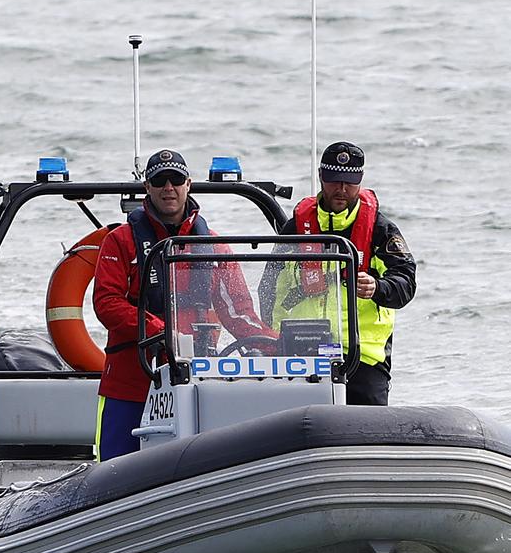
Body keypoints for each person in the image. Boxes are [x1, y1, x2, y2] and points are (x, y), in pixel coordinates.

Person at [93, 148, 275, 461]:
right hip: (132, 381)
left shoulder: (213, 246)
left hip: (196, 380)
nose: (168, 188)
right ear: (146, 188)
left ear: (188, 184)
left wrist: (277, 345)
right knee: (112, 467)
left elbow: (239, 313)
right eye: (159, 181)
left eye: (175, 180)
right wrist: (161, 332)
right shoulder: (120, 241)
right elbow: (106, 302)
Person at [260, 141, 416, 405]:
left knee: (368, 431)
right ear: (321, 177)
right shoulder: (296, 228)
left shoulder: (381, 230)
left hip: (362, 357)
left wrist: (378, 288)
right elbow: (268, 286)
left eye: (349, 182)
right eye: (334, 180)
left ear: (361, 181)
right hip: (300, 354)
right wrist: (274, 338)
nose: (341, 189)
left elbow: (406, 283)